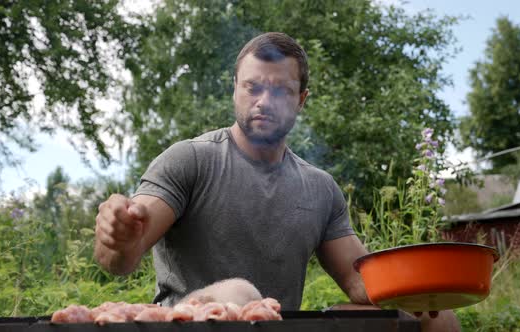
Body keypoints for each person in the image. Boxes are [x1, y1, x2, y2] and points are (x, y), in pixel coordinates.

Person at [94, 32, 460, 332]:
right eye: (253, 87)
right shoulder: (190, 160)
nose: (264, 102)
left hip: (277, 326)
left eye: (281, 91)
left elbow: (360, 283)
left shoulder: (320, 188)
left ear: (301, 99)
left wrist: (418, 290)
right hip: (189, 323)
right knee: (240, 292)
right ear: (235, 88)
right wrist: (120, 236)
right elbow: (120, 259)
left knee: (434, 318)